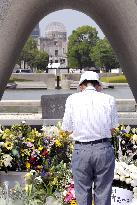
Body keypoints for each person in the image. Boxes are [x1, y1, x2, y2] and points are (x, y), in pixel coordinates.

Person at [62, 71, 118, 205]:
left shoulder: (72, 99)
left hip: (81, 150)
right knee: (103, 192)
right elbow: (113, 128)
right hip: (103, 148)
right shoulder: (109, 99)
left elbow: (66, 129)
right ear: (98, 85)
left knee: (82, 193)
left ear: (82, 85)